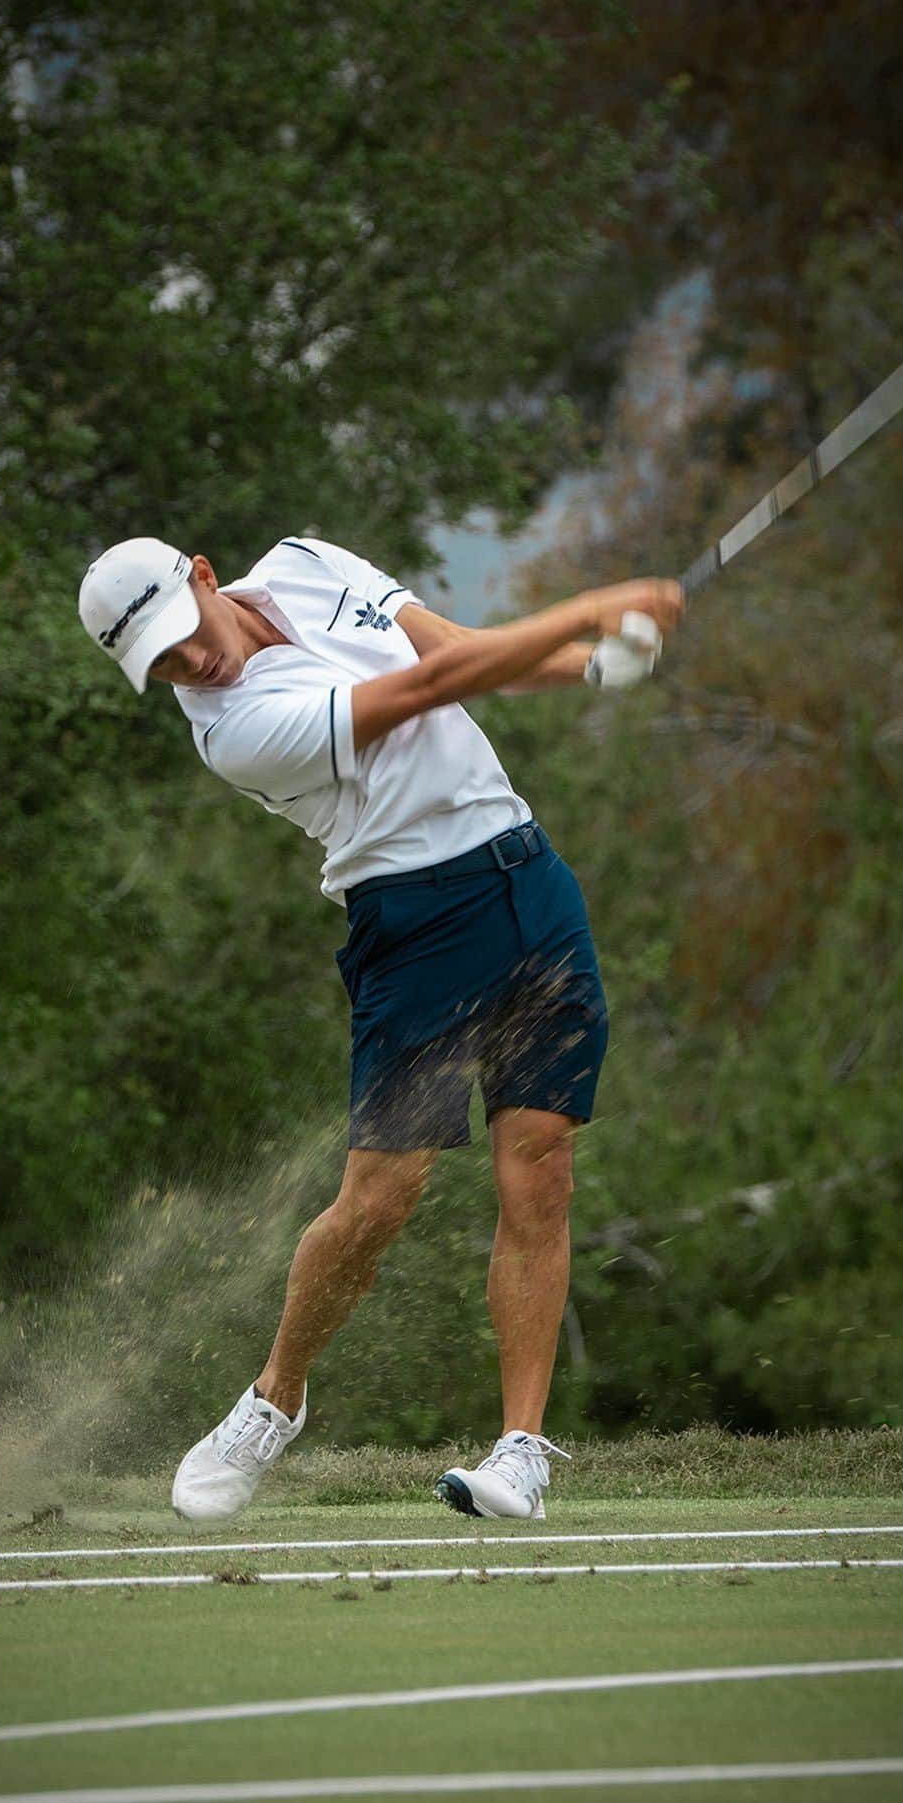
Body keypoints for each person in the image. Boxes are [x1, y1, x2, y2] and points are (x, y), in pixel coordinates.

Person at [78, 534, 682, 1522]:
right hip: (413, 926)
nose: (191, 665)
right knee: (379, 1203)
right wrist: (585, 611)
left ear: (201, 575)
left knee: (541, 1171)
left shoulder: (305, 562)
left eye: (184, 637)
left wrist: (587, 666)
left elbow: (451, 643)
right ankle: (276, 1399)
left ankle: (520, 1453)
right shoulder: (231, 729)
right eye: (162, 666)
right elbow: (426, 690)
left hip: (530, 881)